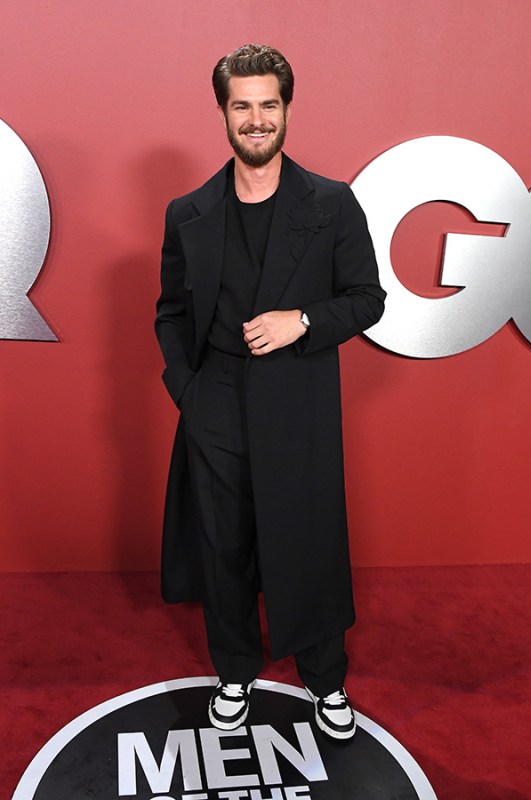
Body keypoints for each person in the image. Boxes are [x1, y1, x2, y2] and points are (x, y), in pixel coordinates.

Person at [155, 44, 385, 740]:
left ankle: (325, 682)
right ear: (223, 113)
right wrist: (188, 392)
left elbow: (368, 300)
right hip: (215, 398)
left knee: (306, 537)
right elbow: (169, 311)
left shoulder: (332, 203)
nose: (256, 119)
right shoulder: (188, 211)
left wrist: (303, 321)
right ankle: (234, 671)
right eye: (242, 106)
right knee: (225, 544)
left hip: (297, 395)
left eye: (268, 105)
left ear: (287, 109)